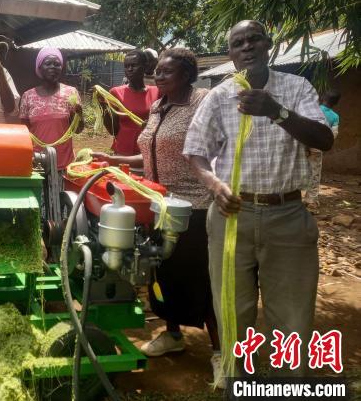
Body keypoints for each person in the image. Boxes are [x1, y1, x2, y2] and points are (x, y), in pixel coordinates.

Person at [183, 20, 334, 379]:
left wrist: (276, 111)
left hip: (288, 215)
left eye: (254, 39)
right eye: (238, 43)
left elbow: (324, 140)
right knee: (232, 308)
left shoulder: (297, 87)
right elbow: (195, 151)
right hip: (232, 215)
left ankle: (289, 384)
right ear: (231, 54)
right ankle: (238, 380)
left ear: (269, 45)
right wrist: (214, 184)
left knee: (293, 313)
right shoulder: (219, 96)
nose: (247, 47)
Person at [92, 48, 220, 384]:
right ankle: (173, 334)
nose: (158, 76)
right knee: (163, 273)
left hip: (194, 205)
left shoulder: (202, 102)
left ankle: (221, 353)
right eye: (158, 71)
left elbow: (219, 145)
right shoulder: (158, 106)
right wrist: (114, 160)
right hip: (159, 203)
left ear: (187, 75)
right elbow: (149, 154)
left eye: (167, 71)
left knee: (199, 278)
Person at [19, 47, 84, 170]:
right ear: (39, 67)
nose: (53, 67)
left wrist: (78, 115)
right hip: (37, 162)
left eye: (57, 64)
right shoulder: (28, 96)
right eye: (48, 63)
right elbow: (24, 132)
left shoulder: (71, 93)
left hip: (64, 163)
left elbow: (78, 130)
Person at [100, 49, 159, 155]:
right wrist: (103, 107)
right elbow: (113, 130)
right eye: (126, 66)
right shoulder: (115, 93)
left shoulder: (157, 92)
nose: (130, 69)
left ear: (144, 67)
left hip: (147, 152)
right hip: (122, 151)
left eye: (134, 65)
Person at [304, 89, 341, 208]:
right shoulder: (335, 116)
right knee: (314, 173)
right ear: (336, 103)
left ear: (322, 98)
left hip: (302, 144)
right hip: (317, 148)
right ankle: (311, 200)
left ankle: (291, 199)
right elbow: (333, 135)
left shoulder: (312, 110)